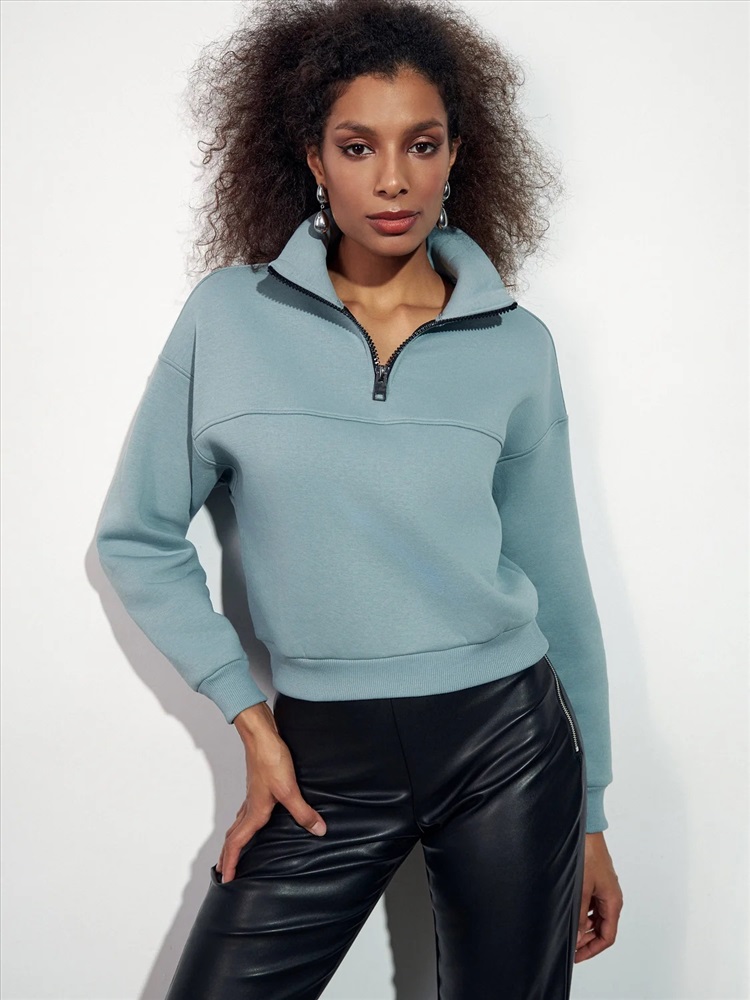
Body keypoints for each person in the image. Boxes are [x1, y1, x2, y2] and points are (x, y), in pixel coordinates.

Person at [95, 0, 623, 996]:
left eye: (421, 144)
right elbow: (137, 537)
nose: (392, 179)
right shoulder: (229, 316)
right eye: (357, 146)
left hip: (509, 743)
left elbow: (558, 580)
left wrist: (590, 813)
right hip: (319, 761)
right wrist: (248, 715)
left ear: (455, 155)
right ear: (313, 157)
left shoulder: (516, 345)